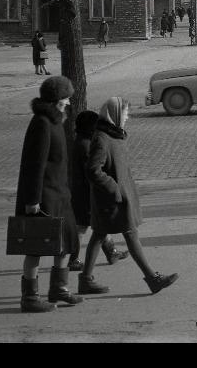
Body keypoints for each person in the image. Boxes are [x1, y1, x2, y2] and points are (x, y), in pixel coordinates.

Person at [78, 97, 178, 296]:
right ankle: (152, 278)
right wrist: (114, 189)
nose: (127, 117)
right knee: (129, 234)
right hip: (111, 199)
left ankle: (86, 280)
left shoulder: (114, 135)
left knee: (99, 235)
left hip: (117, 198)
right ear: (114, 114)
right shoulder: (103, 138)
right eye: (125, 113)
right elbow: (93, 170)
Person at [14, 75, 82, 312]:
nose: (68, 103)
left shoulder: (56, 121)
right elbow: (35, 165)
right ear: (55, 100)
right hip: (43, 197)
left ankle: (59, 288)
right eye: (65, 99)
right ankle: (30, 298)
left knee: (66, 242)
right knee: (36, 247)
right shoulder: (42, 123)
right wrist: (31, 201)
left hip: (60, 194)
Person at [67, 110, 128, 272]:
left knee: (97, 225)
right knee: (84, 227)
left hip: (81, 191)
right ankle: (74, 259)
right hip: (85, 193)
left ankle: (112, 252)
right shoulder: (86, 145)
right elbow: (92, 172)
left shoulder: (80, 141)